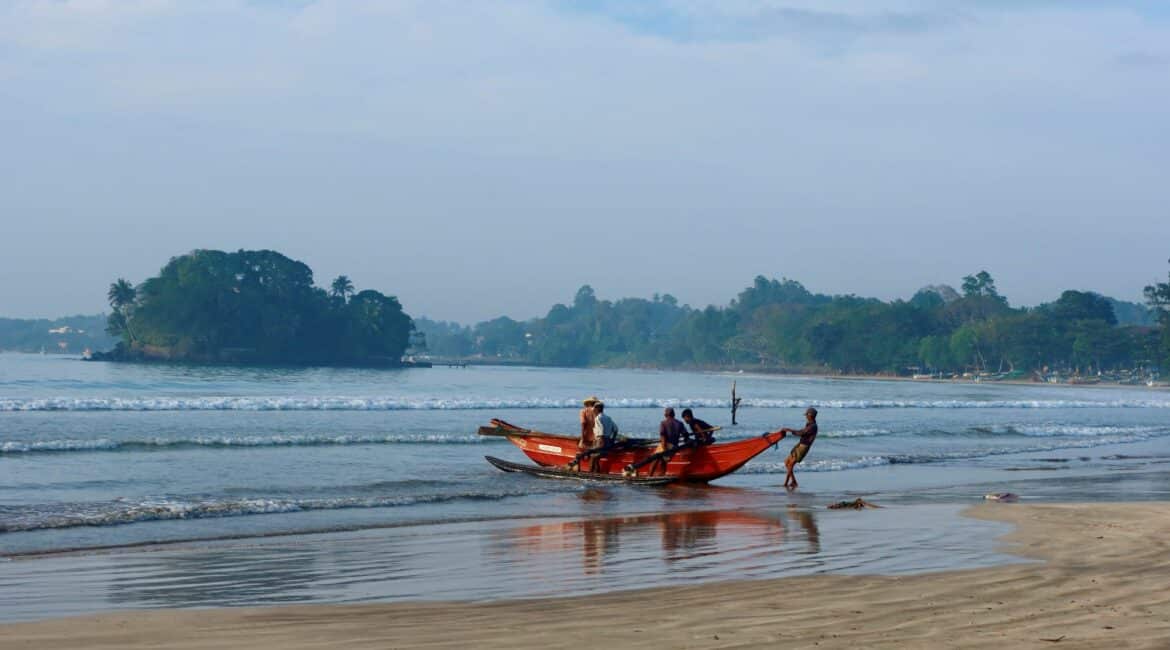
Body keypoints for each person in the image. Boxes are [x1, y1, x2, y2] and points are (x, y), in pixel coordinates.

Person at [777, 407, 818, 489]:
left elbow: (801, 432)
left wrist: (789, 430)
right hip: (800, 444)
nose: (806, 416)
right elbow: (802, 431)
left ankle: (785, 484)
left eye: (807, 415)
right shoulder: (809, 424)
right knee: (786, 462)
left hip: (803, 447)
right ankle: (794, 481)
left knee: (791, 464)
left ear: (811, 416)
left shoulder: (813, 426)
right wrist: (790, 431)